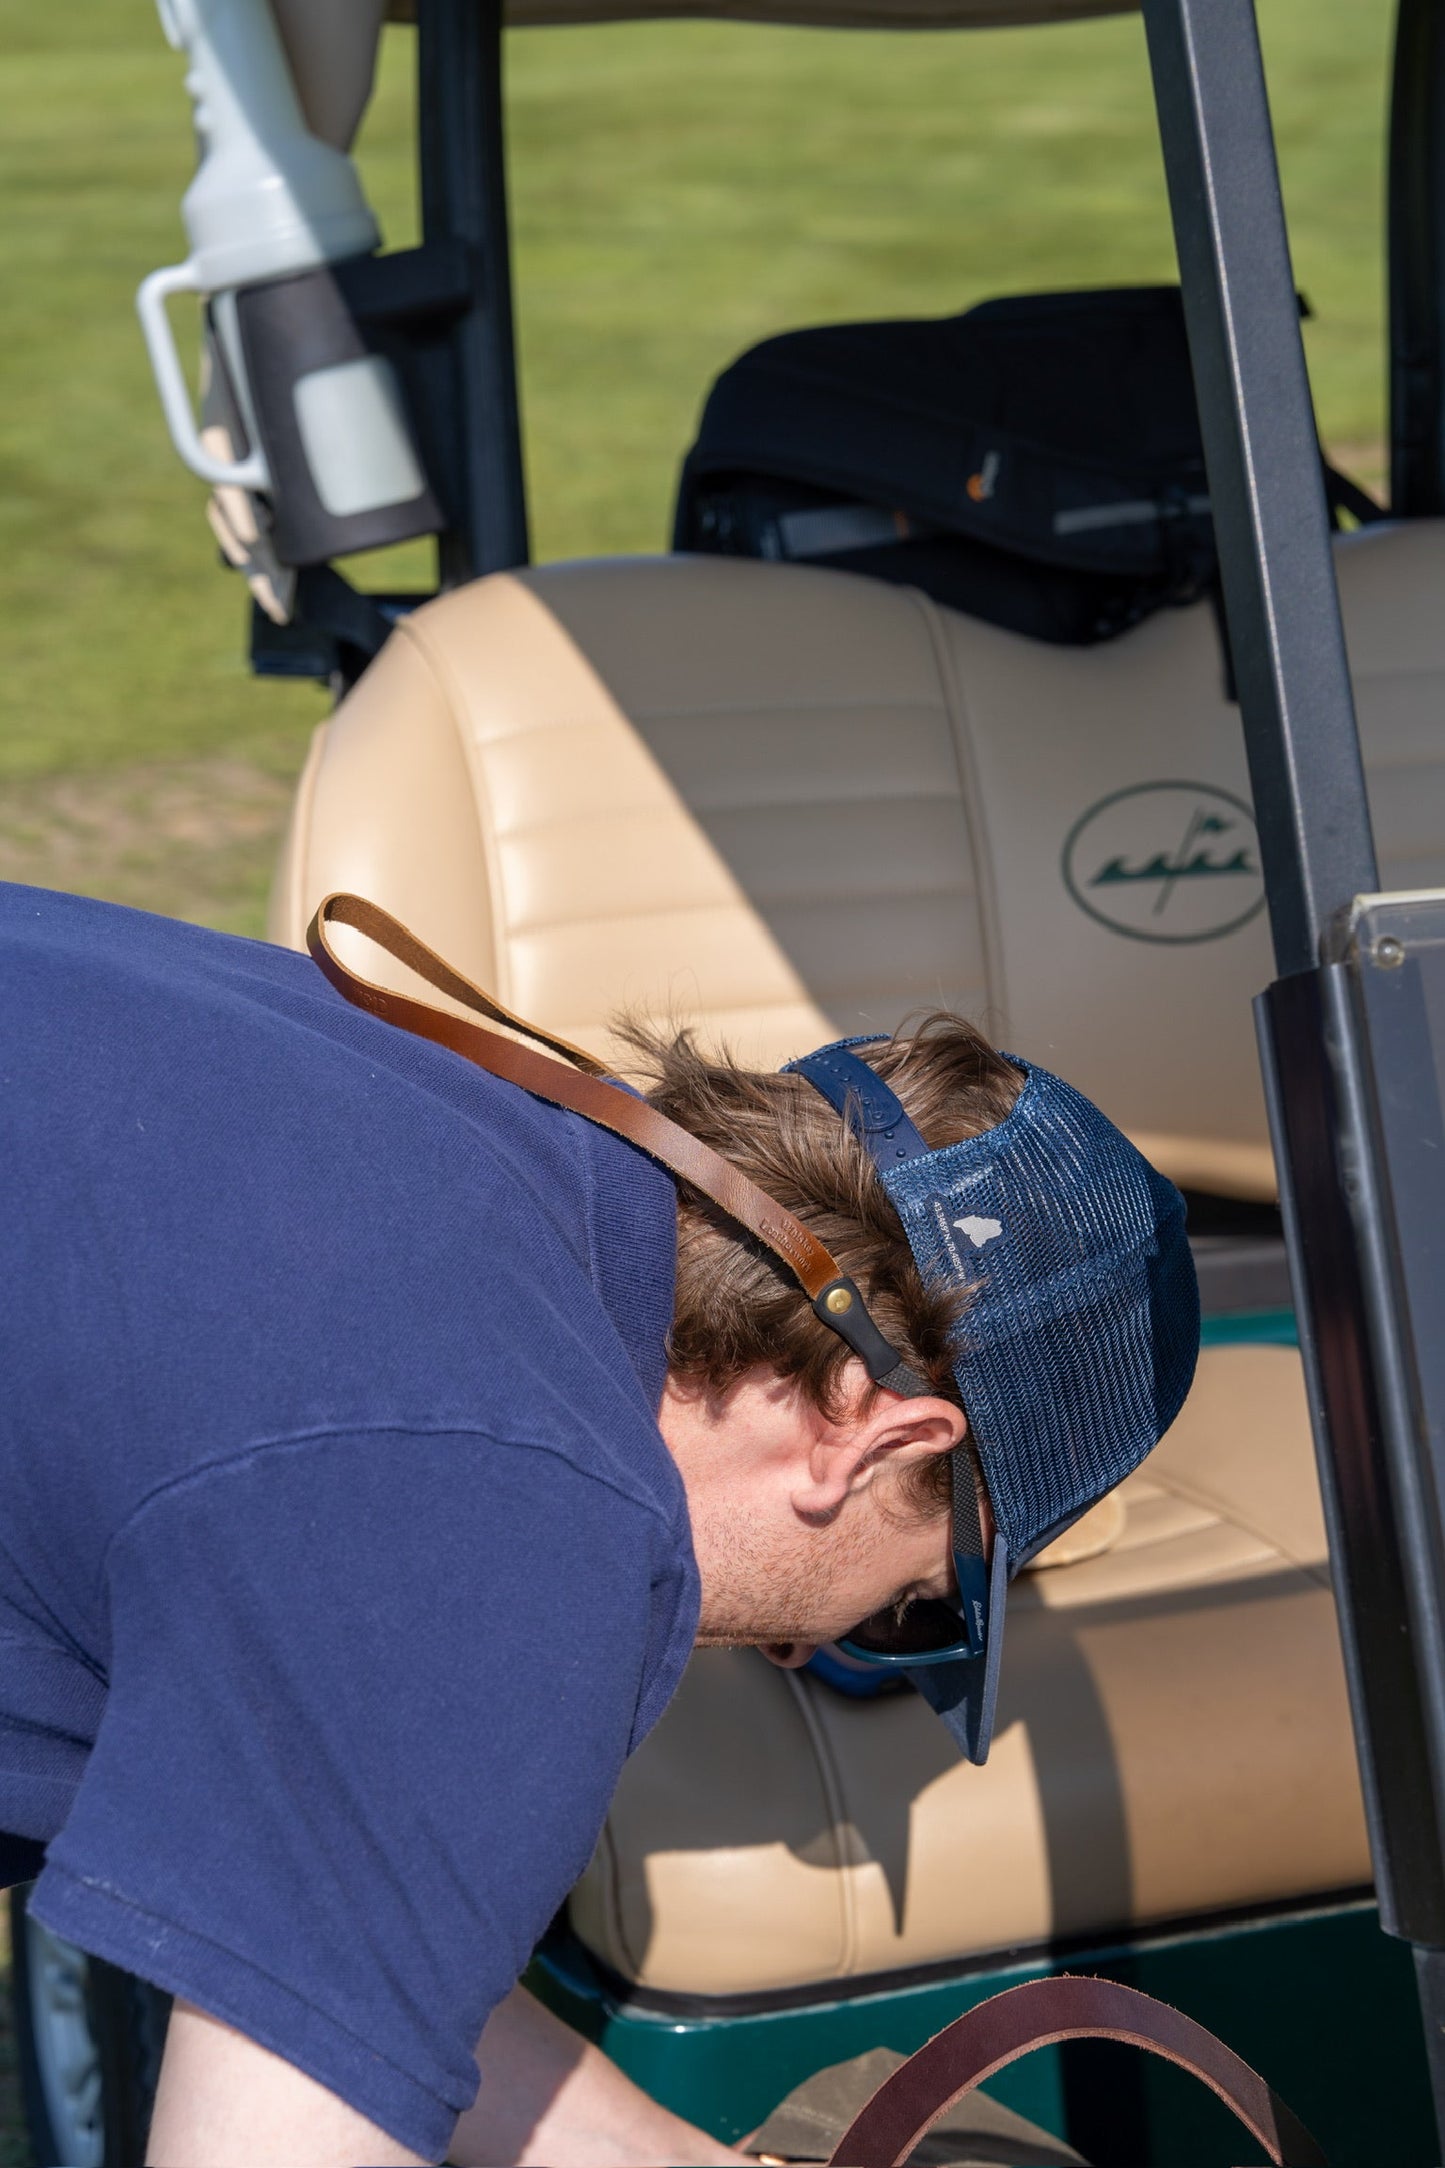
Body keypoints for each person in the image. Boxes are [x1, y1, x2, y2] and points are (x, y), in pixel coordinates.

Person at [0, 879, 1198, 2167]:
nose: (809, 1652)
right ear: (879, 1437)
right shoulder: (509, 1535)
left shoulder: (468, 1130)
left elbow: (334, 1939)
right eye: (921, 1606)